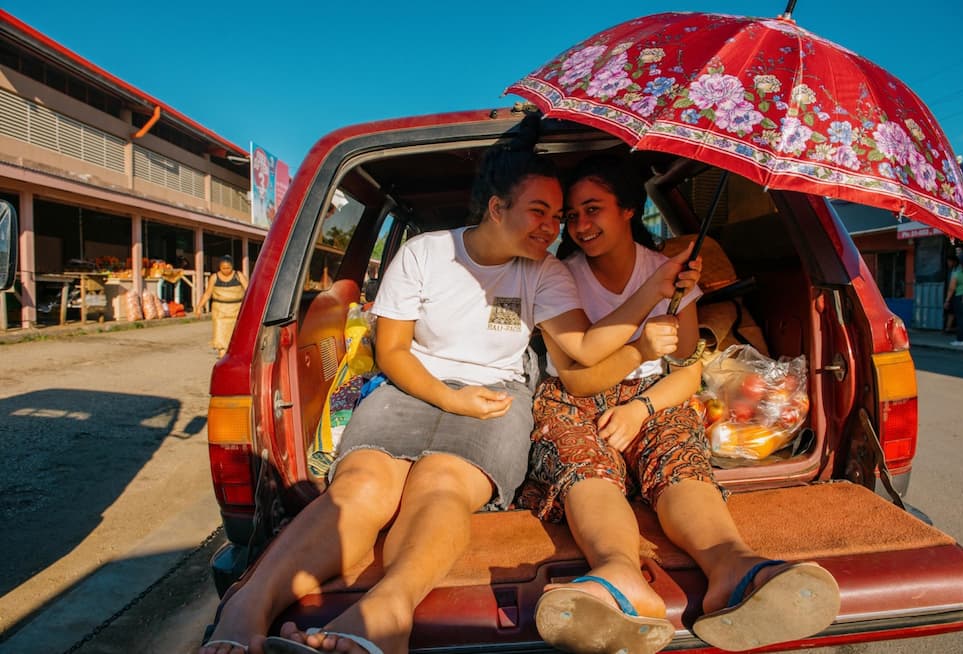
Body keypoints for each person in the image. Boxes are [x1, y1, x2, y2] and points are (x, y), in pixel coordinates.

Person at [198, 120, 701, 654]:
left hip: (498, 398)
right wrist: (450, 397)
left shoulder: (546, 272)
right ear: (496, 208)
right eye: (540, 212)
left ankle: (387, 610)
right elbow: (392, 351)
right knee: (361, 487)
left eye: (558, 217)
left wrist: (654, 290)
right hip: (408, 387)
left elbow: (586, 348)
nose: (554, 228)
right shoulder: (425, 255)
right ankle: (248, 604)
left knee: (441, 485)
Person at [518, 155, 840, 653]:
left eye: (593, 209)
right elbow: (575, 375)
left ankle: (735, 568)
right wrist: (642, 343)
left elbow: (689, 367)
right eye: (572, 216)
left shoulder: (669, 273)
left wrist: (642, 408)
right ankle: (619, 575)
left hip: (653, 396)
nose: (580, 226)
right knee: (587, 468)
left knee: (679, 457)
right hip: (574, 396)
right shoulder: (557, 275)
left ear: (628, 210)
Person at [195, 255, 248, 358]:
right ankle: (222, 352)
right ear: (219, 267)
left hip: (236, 308)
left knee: (235, 331)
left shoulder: (238, 275)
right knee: (220, 331)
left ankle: (235, 352)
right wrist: (199, 307)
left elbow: (248, 290)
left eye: (228, 268)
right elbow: (207, 293)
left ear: (232, 267)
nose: (226, 270)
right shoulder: (214, 277)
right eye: (223, 268)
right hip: (219, 309)